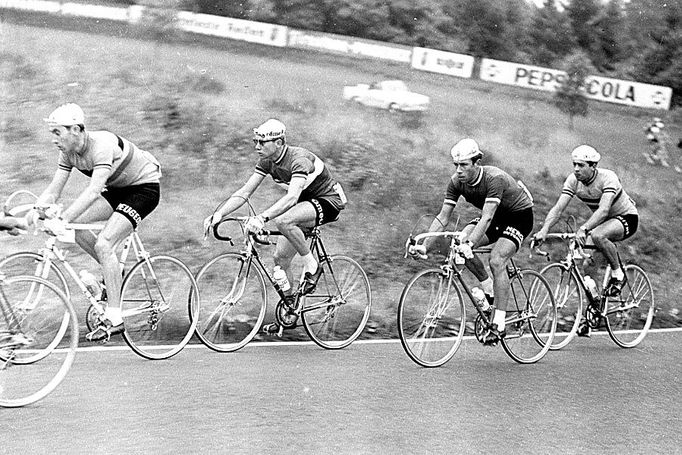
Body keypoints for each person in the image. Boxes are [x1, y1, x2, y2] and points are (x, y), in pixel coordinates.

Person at [203, 119, 347, 335]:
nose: (257, 147)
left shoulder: (298, 160)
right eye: (255, 141)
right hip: (304, 204)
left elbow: (291, 199)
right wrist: (219, 213)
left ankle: (312, 266)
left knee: (284, 220)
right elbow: (245, 192)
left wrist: (261, 218)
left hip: (328, 200)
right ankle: (290, 309)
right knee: (280, 258)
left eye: (262, 142)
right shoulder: (268, 161)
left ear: (279, 142)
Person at [32, 103, 162, 342]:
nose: (54, 139)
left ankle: (115, 318)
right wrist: (38, 208)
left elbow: (93, 191)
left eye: (57, 132)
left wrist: (61, 218)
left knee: (104, 244)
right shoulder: (67, 152)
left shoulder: (101, 145)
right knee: (76, 228)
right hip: (118, 190)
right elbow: (55, 188)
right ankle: (112, 272)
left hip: (144, 189)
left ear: (76, 130)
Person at [408, 138, 534, 346]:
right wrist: (425, 244)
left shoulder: (494, 179)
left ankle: (499, 324)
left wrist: (471, 244)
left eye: (464, 165)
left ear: (477, 163)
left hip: (518, 216)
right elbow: (443, 217)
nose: (458, 170)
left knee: (496, 259)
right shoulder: (456, 182)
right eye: (456, 165)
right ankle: (489, 289)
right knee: (459, 242)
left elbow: (486, 217)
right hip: (495, 218)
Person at [535, 145, 638, 336]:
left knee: (597, 235)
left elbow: (604, 210)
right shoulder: (574, 181)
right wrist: (544, 230)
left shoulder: (608, 178)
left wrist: (584, 228)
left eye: (581, 165)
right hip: (603, 223)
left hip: (626, 218)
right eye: (574, 164)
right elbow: (558, 208)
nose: (576, 169)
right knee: (588, 270)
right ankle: (592, 315)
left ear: (593, 166)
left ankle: (618, 274)